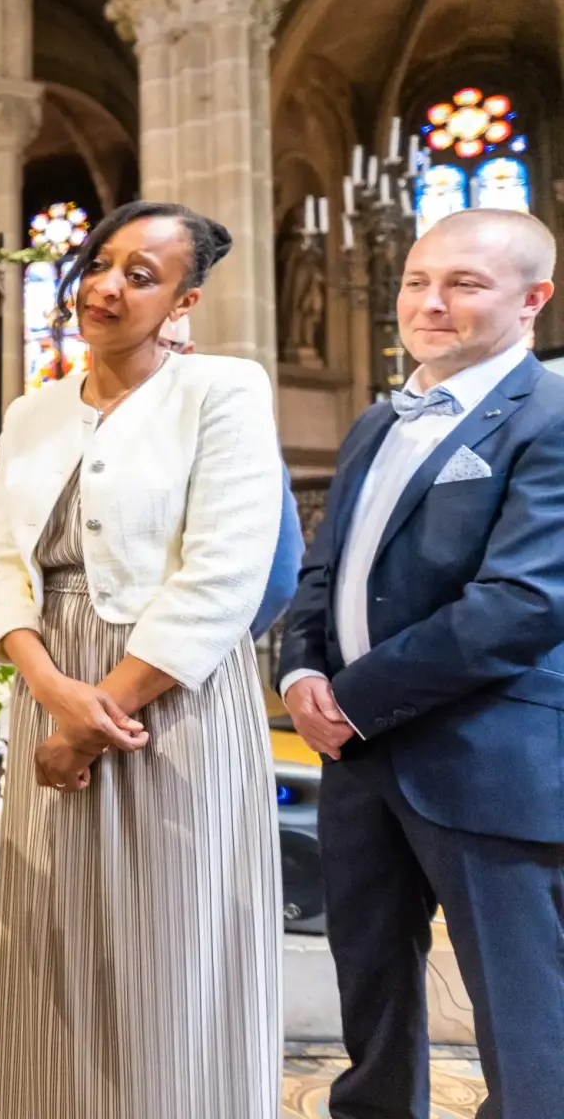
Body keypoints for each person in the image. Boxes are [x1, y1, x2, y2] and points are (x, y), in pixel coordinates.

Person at [0, 201, 284, 1119]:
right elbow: (1, 566)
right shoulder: (33, 411)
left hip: (168, 699)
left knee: (170, 944)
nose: (106, 287)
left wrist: (91, 721)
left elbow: (223, 577)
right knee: (56, 943)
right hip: (54, 684)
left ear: (183, 300)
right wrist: (46, 691)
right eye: (101, 264)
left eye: (141, 275)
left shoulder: (223, 392)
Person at [279, 208, 564, 1118]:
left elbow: (522, 605)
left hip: (485, 755)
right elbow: (324, 569)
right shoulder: (377, 418)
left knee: (526, 1024)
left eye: (464, 285)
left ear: (534, 301)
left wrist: (353, 699)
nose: (430, 304)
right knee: (371, 994)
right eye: (416, 281)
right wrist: (299, 674)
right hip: (362, 762)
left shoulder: (550, 418)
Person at [159, 316, 302, 637]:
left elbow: (278, 577)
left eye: (158, 347)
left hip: (192, 654)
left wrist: (212, 647)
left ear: (187, 352)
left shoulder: (229, 425)